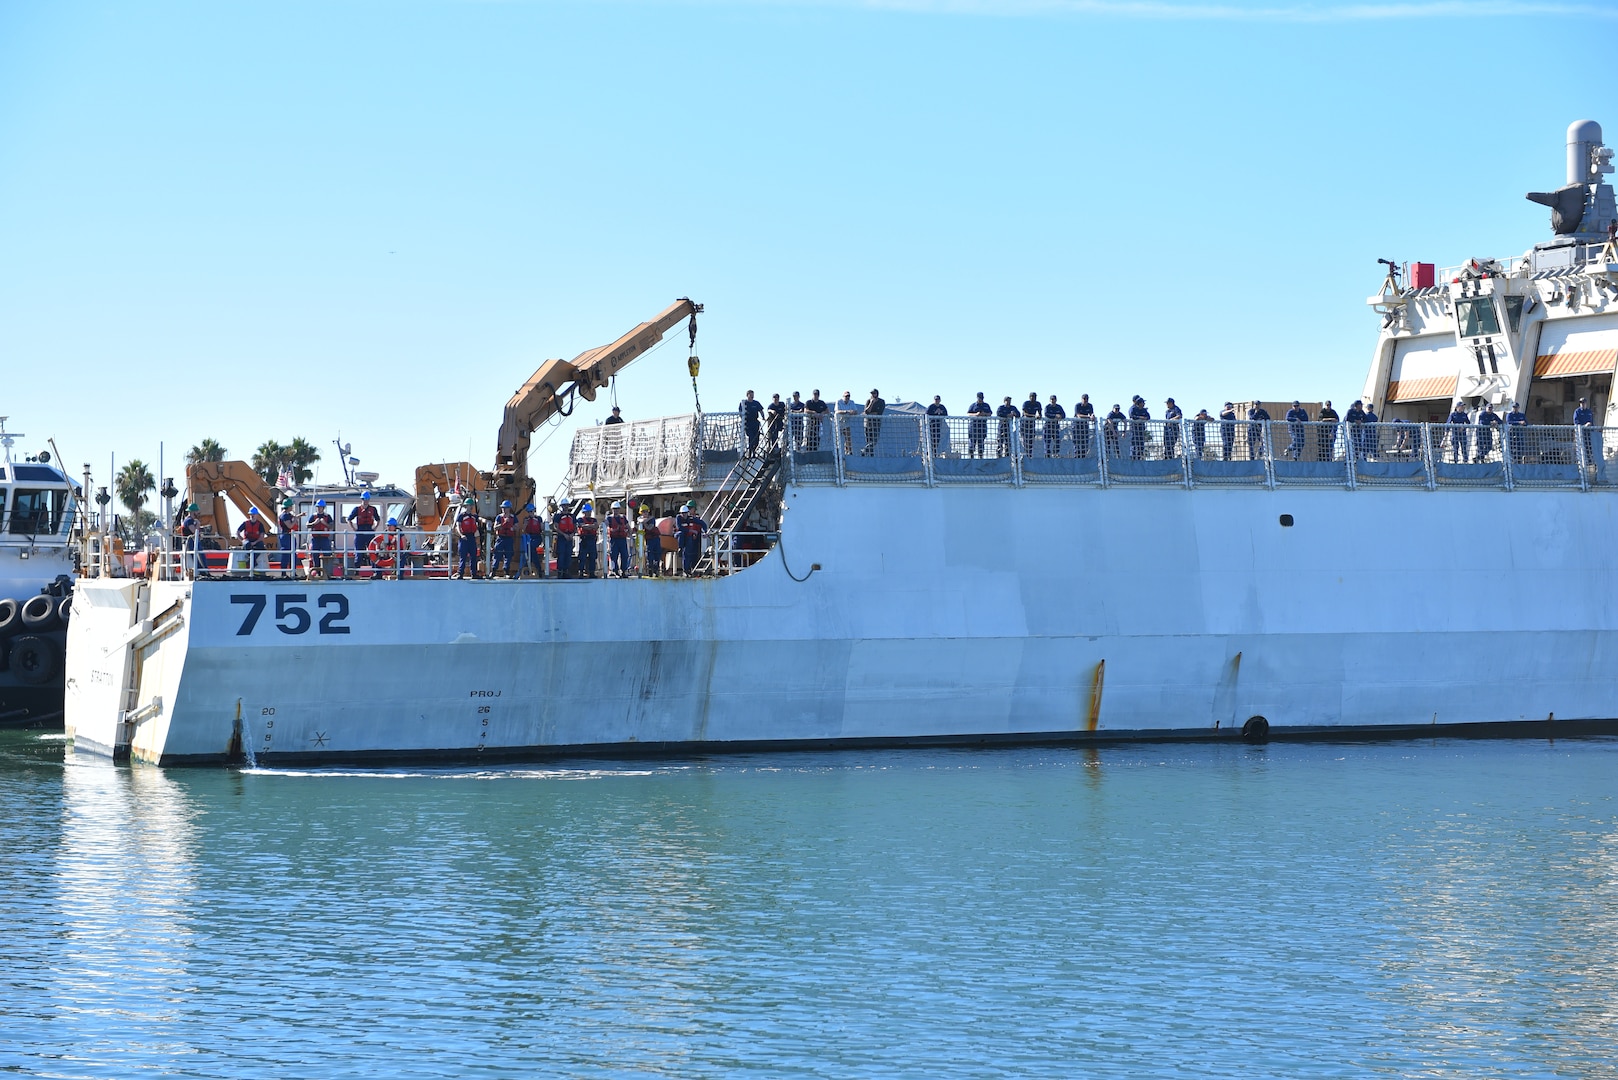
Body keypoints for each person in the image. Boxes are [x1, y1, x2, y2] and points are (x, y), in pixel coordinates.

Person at [349, 491, 381, 569]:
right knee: (358, 553)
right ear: (362, 499)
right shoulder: (357, 509)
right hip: (360, 531)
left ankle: (375, 571)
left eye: (367, 499)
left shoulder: (373, 509)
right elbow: (349, 519)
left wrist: (375, 528)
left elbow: (378, 519)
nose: (366, 501)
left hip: (369, 531)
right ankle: (356, 571)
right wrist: (354, 529)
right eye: (364, 499)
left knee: (372, 552)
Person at [675, 499, 708, 576]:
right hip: (680, 536)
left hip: (688, 537)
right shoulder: (678, 518)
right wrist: (692, 531)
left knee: (688, 553)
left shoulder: (691, 518)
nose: (684, 515)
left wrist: (706, 530)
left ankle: (688, 570)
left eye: (685, 513)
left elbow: (702, 523)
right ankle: (680, 548)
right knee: (681, 534)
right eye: (683, 513)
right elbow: (680, 528)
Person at [235, 506, 267, 574]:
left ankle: (251, 561)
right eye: (251, 514)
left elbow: (261, 537)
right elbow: (237, 532)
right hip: (247, 540)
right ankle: (253, 561)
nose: (252, 516)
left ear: (257, 515)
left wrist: (255, 542)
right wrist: (242, 540)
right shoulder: (245, 523)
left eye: (254, 514)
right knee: (247, 544)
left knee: (261, 545)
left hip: (256, 540)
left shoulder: (260, 524)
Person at [307, 498, 334, 578]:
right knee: (315, 555)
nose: (319, 508)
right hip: (315, 539)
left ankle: (327, 573)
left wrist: (324, 523)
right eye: (318, 507)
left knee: (327, 555)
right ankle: (318, 573)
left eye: (321, 507)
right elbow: (307, 525)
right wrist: (314, 523)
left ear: (323, 508)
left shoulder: (327, 516)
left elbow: (331, 526)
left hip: (324, 539)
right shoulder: (313, 516)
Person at [454, 501, 480, 579]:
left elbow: (479, 519)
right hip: (464, 538)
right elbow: (458, 526)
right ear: (466, 506)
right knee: (463, 556)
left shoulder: (474, 516)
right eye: (469, 505)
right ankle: (460, 573)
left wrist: (486, 521)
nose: (471, 507)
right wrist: (461, 535)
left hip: (471, 537)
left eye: (471, 505)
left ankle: (474, 574)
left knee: (473, 556)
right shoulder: (461, 516)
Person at [490, 500, 517, 577]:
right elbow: (495, 527)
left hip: (509, 538)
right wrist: (503, 524)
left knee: (508, 555)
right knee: (497, 554)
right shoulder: (499, 517)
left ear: (509, 508)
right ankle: (494, 571)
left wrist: (512, 528)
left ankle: (506, 572)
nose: (504, 509)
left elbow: (517, 527)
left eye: (505, 508)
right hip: (500, 538)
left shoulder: (513, 517)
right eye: (503, 508)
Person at [551, 499, 576, 579]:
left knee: (568, 555)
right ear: (561, 506)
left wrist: (572, 534)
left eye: (567, 505)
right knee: (561, 555)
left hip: (569, 538)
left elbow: (575, 527)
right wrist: (564, 534)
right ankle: (560, 573)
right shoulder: (558, 516)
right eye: (564, 505)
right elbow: (556, 527)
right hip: (562, 538)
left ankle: (566, 572)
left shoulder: (572, 516)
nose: (565, 507)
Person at [606, 501, 632, 578]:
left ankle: (624, 571)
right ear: (612, 509)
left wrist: (630, 534)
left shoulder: (623, 517)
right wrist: (611, 530)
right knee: (614, 556)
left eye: (617, 509)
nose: (616, 510)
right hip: (614, 540)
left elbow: (628, 526)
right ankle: (615, 571)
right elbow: (606, 526)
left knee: (625, 555)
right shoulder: (609, 518)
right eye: (614, 509)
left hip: (622, 539)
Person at [521, 502, 545, 578]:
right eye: (529, 512)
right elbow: (523, 530)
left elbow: (542, 528)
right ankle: (535, 568)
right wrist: (525, 524)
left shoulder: (538, 518)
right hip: (529, 537)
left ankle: (534, 566)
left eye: (531, 511)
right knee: (529, 551)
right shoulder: (526, 519)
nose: (530, 513)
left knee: (531, 548)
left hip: (537, 537)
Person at [576, 501, 600, 578]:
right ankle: (581, 572)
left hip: (592, 540)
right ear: (584, 512)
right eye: (587, 512)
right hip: (584, 540)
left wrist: (588, 526)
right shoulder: (580, 519)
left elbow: (596, 526)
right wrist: (591, 526)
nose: (588, 513)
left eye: (589, 511)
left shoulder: (594, 520)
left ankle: (591, 572)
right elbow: (583, 526)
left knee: (592, 557)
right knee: (582, 557)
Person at [965, 393, 990, 458]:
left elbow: (990, 413)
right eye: (979, 398)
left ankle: (980, 457)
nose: (981, 399)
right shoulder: (973, 405)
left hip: (982, 427)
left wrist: (984, 414)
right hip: (973, 427)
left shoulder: (986, 405)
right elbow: (968, 414)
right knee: (972, 443)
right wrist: (976, 414)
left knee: (981, 443)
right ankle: (971, 457)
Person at [640, 504, 662, 576]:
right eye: (643, 512)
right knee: (649, 555)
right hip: (649, 540)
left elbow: (650, 528)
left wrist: (644, 523)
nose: (645, 513)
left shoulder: (652, 519)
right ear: (641, 513)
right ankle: (650, 570)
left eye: (646, 511)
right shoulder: (640, 520)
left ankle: (656, 570)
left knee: (657, 555)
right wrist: (643, 522)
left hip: (655, 539)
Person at [277, 498, 298, 574]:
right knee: (286, 554)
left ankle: (292, 572)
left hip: (289, 536)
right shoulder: (284, 516)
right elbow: (290, 526)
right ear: (289, 506)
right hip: (286, 537)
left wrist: (298, 516)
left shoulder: (287, 515)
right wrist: (295, 520)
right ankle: (284, 573)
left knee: (293, 555)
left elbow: (292, 520)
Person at [739, 390, 764, 455]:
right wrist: (743, 420)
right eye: (750, 395)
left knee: (756, 437)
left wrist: (763, 417)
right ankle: (750, 452)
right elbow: (740, 412)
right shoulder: (744, 403)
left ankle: (754, 451)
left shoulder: (756, 403)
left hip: (755, 422)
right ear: (747, 395)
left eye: (753, 395)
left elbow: (761, 410)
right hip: (748, 423)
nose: (752, 396)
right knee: (751, 437)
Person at [1574, 396, 1596, 466]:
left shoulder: (1589, 411)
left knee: (1589, 447)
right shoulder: (1577, 411)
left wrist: (1591, 427)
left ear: (1586, 403)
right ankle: (1580, 462)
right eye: (1581, 403)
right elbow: (1576, 422)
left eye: (1584, 403)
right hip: (1581, 433)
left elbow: (1592, 421)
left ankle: (1590, 462)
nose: (1582, 404)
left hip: (1589, 433)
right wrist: (1584, 426)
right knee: (1580, 448)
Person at [835, 391, 859, 455]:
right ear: (843, 396)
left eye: (848, 396)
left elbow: (856, 412)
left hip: (847, 423)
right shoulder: (839, 402)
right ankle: (838, 452)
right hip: (839, 423)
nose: (847, 397)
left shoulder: (852, 402)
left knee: (848, 438)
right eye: (846, 396)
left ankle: (849, 452)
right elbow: (837, 411)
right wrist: (847, 411)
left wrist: (852, 412)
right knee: (838, 439)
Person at [862, 389, 885, 455]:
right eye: (872, 394)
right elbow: (866, 412)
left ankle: (864, 450)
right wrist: (871, 403)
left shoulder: (881, 402)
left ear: (877, 394)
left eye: (874, 393)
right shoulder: (868, 401)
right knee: (868, 441)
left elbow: (879, 413)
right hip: (867, 424)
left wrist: (870, 413)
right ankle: (870, 455)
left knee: (874, 441)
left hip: (876, 424)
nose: (872, 395)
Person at [1127, 396, 1150, 460]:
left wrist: (1143, 418)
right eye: (1143, 403)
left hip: (1141, 430)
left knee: (1141, 446)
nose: (1144, 404)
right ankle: (1133, 459)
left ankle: (1138, 458)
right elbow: (1132, 416)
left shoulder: (1144, 410)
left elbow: (1148, 417)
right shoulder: (1133, 409)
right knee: (1134, 445)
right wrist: (1141, 418)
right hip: (1134, 430)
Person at [1074, 394, 1095, 459]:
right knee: (1077, 442)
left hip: (1084, 425)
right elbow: (1078, 415)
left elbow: (1092, 414)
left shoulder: (1090, 406)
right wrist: (1089, 417)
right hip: (1076, 425)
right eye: (1084, 399)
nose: (1085, 400)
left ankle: (1083, 456)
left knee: (1085, 441)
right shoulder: (1077, 405)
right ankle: (1076, 457)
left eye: (1087, 399)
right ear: (1081, 399)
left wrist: (1093, 416)